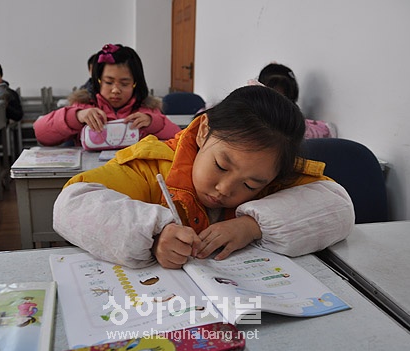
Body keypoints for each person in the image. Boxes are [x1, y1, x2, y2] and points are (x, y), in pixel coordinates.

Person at [53, 85, 354, 269]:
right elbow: (71, 204)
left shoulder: (274, 172)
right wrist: (153, 234)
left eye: (251, 185)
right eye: (221, 166)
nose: (224, 189)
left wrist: (252, 225)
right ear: (204, 131)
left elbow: (337, 204)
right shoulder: (154, 165)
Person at [34, 44, 181, 146]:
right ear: (98, 81)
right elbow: (41, 133)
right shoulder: (84, 106)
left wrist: (152, 122)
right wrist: (76, 117)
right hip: (90, 179)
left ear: (136, 83)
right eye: (109, 82)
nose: (116, 90)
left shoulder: (146, 110)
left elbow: (178, 137)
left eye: (124, 83)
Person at [254, 62, 336, 139]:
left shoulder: (295, 123)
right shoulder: (253, 115)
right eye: (271, 97)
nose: (276, 104)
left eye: (282, 98)